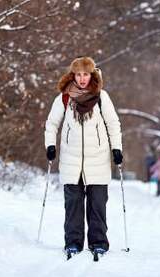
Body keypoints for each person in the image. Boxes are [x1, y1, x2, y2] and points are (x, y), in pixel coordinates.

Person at [44, 56, 123, 259]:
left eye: (85, 74)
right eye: (78, 74)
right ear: (73, 75)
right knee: (73, 206)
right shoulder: (64, 98)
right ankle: (73, 243)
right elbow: (52, 123)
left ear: (92, 75)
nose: (81, 79)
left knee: (97, 205)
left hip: (98, 159)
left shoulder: (102, 97)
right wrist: (50, 145)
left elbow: (113, 124)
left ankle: (98, 243)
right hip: (71, 160)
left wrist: (117, 149)